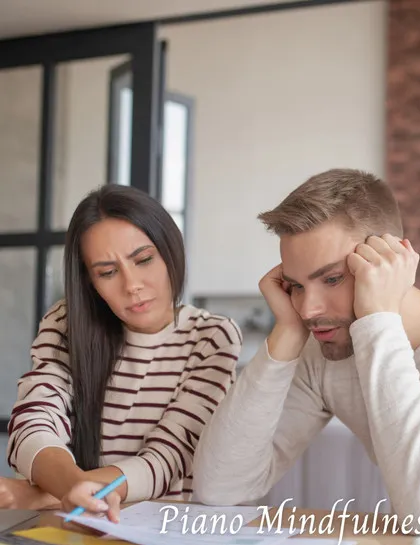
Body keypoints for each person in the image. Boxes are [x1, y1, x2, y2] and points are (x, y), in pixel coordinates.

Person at [192, 168, 420, 525]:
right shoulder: (323, 347)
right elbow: (220, 488)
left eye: (333, 278)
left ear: (392, 261)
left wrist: (378, 320)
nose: (308, 309)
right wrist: (286, 333)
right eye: (296, 286)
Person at [2, 184, 242, 522]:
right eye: (107, 272)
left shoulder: (212, 336)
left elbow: (166, 460)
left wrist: (39, 494)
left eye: (143, 260)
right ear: (90, 281)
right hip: (63, 526)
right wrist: (70, 487)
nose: (132, 285)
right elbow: (35, 419)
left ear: (170, 250)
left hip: (160, 533)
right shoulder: (65, 323)